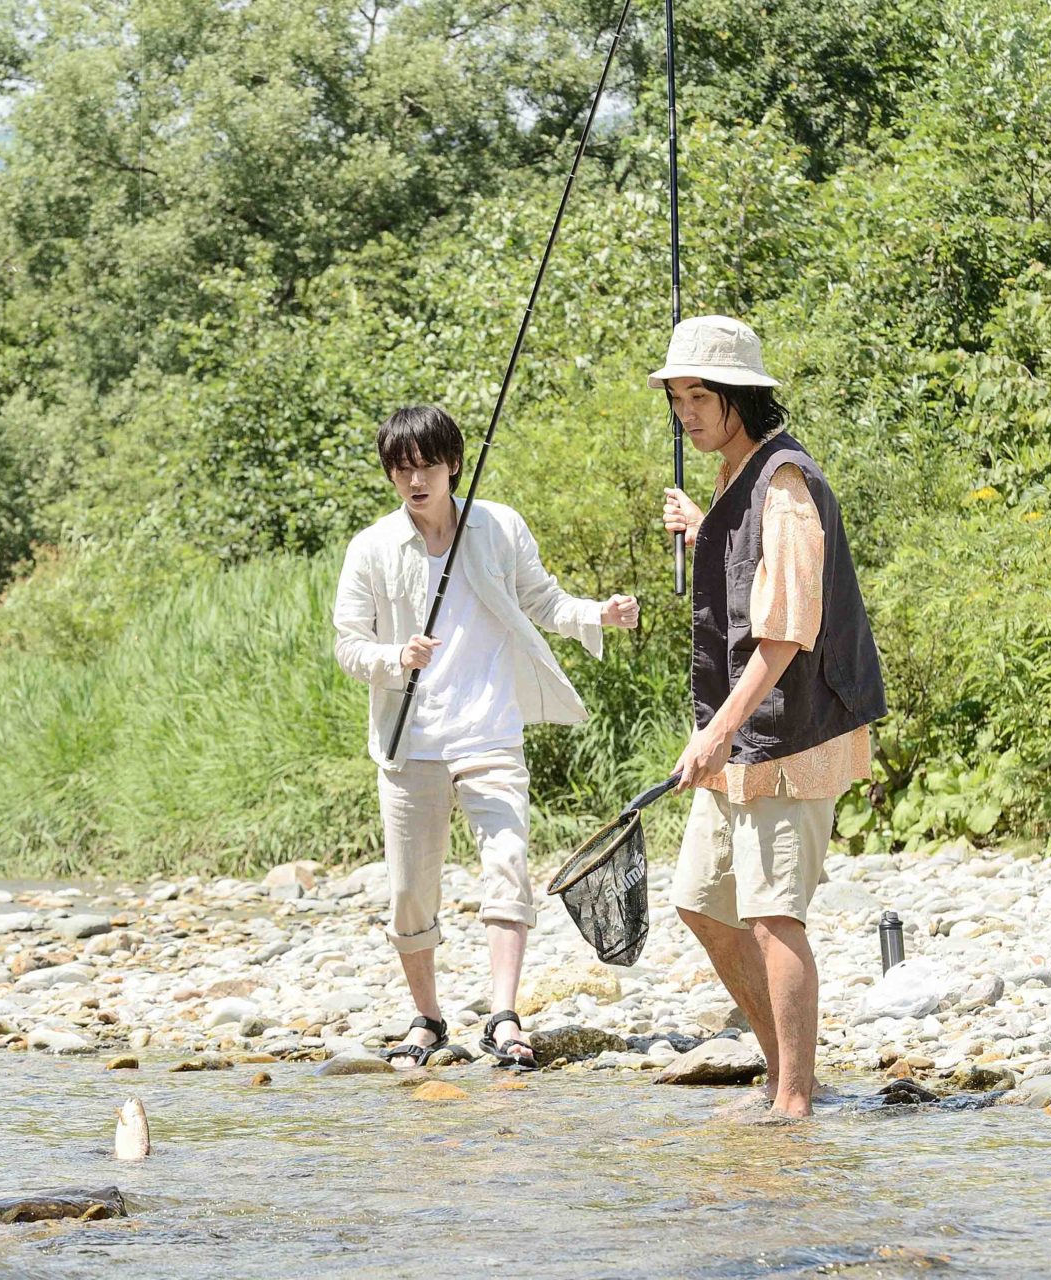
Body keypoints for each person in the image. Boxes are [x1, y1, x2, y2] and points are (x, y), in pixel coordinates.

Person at [334, 405, 639, 1071]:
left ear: (452, 465)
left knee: (508, 862)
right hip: (408, 740)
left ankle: (504, 1014)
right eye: (401, 468)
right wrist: (395, 658)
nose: (415, 479)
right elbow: (348, 646)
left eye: (427, 466)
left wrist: (600, 613)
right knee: (411, 889)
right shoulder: (372, 549)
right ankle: (428, 1017)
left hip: (489, 731)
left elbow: (546, 602)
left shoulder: (497, 526)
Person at [653, 316, 888, 1117]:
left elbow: (787, 632)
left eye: (698, 395)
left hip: (790, 734)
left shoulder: (785, 486)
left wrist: (715, 733)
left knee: (773, 915)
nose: (685, 412)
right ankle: (787, 1072)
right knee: (700, 902)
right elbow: (745, 558)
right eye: (677, 397)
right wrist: (703, 525)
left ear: (741, 396)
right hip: (743, 733)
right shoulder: (737, 473)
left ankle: (793, 1103)